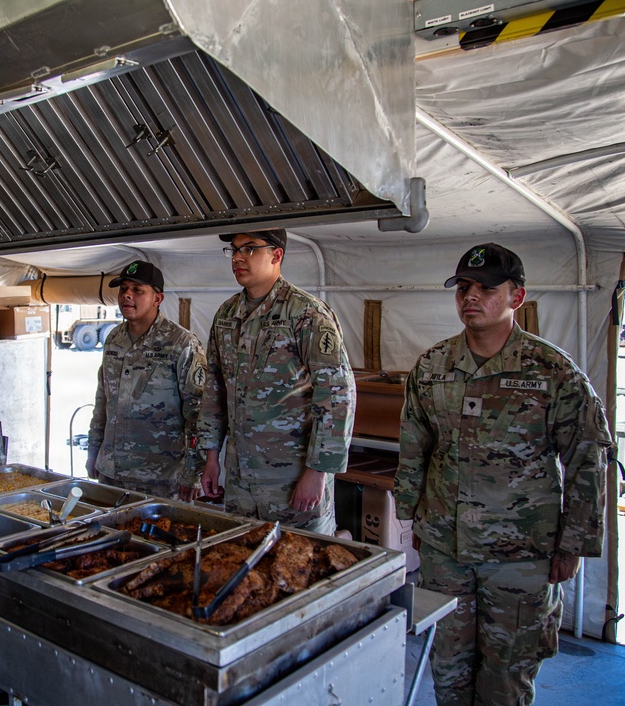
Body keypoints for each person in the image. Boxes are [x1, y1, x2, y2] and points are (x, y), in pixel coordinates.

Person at [394, 243, 610, 706]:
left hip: (520, 555)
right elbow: (415, 443)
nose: (470, 297)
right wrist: (412, 516)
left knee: (506, 678)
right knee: (447, 670)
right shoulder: (432, 366)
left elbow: (587, 461)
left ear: (517, 296)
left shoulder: (553, 372)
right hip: (445, 548)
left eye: (486, 288)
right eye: (464, 287)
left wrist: (573, 545)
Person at [197, 229, 355, 534]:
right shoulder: (226, 315)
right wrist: (211, 457)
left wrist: (317, 472)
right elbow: (214, 390)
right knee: (244, 564)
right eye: (234, 250)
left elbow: (337, 395)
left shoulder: (306, 313)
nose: (239, 257)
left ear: (276, 255)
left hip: (292, 480)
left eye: (250, 248)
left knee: (302, 568)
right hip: (241, 480)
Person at [86, 260, 207, 500]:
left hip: (160, 478)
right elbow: (102, 402)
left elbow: (198, 415)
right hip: (111, 472)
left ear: (157, 299)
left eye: (137, 290)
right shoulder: (114, 339)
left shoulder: (180, 343)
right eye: (123, 289)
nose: (127, 295)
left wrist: (193, 474)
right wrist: (93, 452)